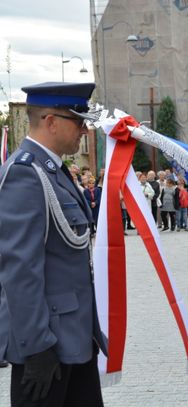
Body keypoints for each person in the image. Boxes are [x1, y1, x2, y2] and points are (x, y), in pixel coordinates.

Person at [0, 82, 108, 405]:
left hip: (75, 340)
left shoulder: (56, 172)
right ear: (51, 122)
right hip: (46, 349)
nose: (83, 128)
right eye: (77, 120)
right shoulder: (24, 175)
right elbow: (20, 270)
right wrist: (37, 347)